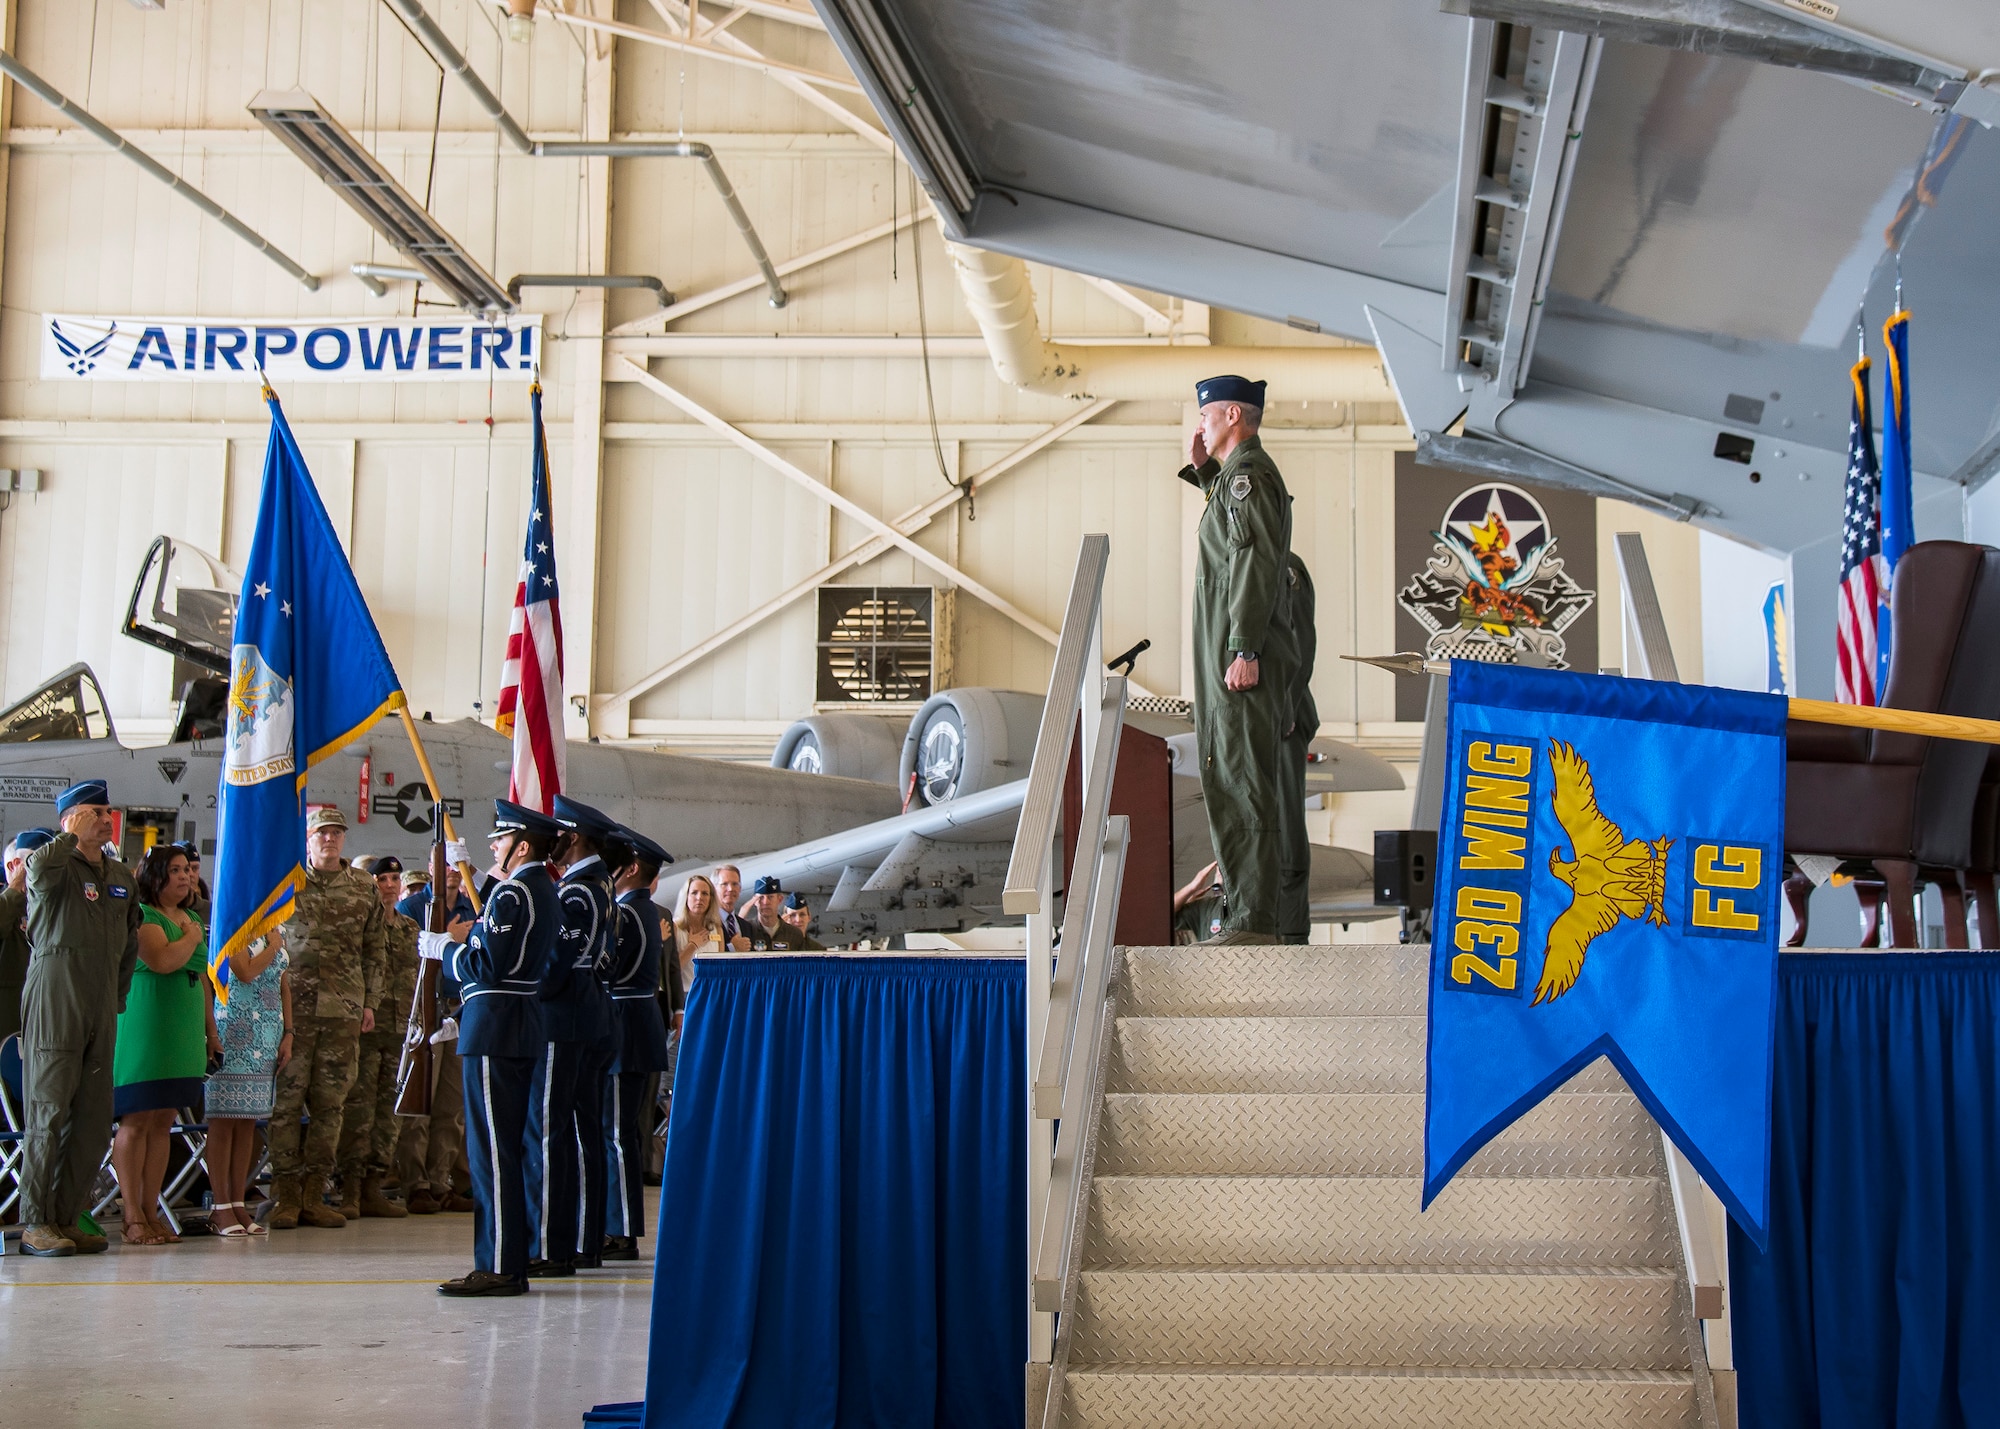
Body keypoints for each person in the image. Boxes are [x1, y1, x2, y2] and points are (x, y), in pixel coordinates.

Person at [1178, 374, 1297, 944]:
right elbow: (1234, 542)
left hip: (1239, 659)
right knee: (1230, 775)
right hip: (1227, 657)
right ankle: (1248, 912)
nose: (1198, 424)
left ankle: (1251, 919)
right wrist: (1205, 471)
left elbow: (1250, 563)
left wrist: (1243, 647)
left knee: (1242, 779)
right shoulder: (1235, 479)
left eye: (1205, 415)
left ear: (1230, 416)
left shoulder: (1248, 477)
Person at [427, 800, 560, 1297]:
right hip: (518, 1023)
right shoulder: (539, 890)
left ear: (521, 846)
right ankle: (511, 1257)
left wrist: (446, 950)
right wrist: (482, 879)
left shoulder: (514, 896)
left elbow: (487, 965)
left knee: (491, 1153)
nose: (493, 847)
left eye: (500, 841)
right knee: (506, 1147)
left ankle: (500, 1264)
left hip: (496, 1026)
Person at [18, 781, 142, 1257]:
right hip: (56, 997)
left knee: (91, 1120)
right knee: (48, 1113)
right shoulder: (53, 864)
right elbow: (37, 870)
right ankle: (35, 1220)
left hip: (100, 1002)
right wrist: (68, 836)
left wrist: (118, 994)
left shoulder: (119, 874)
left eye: (108, 811)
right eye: (93, 811)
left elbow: (129, 941)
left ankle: (67, 1217)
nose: (103, 819)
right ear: (69, 818)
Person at [267, 806, 385, 1231]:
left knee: (331, 1107)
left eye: (336, 833)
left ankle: (316, 1195)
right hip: (292, 1012)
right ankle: (285, 1197)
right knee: (285, 1106)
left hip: (343, 1010)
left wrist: (370, 1002)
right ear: (308, 839)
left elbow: (375, 948)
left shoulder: (363, 887)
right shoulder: (287, 883)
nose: (329, 840)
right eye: (321, 833)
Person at [525, 796, 621, 1278]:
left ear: (576, 837)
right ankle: (583, 1239)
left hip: (564, 1017)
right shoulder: (600, 884)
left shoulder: (580, 891)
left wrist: (530, 993)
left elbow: (559, 963)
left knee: (550, 1131)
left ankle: (550, 1246)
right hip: (588, 1013)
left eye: (563, 832)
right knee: (581, 1132)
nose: (556, 839)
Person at [109, 845, 212, 1245]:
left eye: (188, 869)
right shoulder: (143, 916)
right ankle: (131, 1215)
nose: (186, 876)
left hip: (183, 1029)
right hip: (146, 1027)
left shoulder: (188, 916)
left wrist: (211, 1031)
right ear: (155, 876)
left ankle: (153, 1212)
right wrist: (190, 938)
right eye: (175, 870)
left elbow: (201, 977)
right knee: (137, 1119)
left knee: (164, 1121)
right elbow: (162, 961)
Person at [602, 827, 674, 1262]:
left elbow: (608, 967)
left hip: (625, 1024)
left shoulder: (625, 914)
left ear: (631, 869)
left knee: (617, 1132)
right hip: (640, 1022)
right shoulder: (649, 912)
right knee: (625, 1130)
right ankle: (622, 1225)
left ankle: (622, 1228)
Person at [335, 854, 417, 1220]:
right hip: (366, 1030)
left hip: (400, 1033)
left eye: (393, 880)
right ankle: (350, 1188)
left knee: (389, 1114)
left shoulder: (411, 929)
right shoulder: (359, 926)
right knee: (358, 1111)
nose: (388, 886)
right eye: (381, 879)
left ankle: (373, 1186)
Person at [392, 863, 474, 1215]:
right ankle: (416, 1183)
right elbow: (403, 953)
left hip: (460, 1010)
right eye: (445, 866)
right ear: (429, 869)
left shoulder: (472, 908)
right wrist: (446, 939)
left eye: (458, 866)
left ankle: (441, 1181)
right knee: (420, 1099)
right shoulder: (412, 908)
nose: (452, 872)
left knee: (451, 1106)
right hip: (425, 1007)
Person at [204, 924, 291, 1238]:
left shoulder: (274, 928)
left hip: (268, 1031)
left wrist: (289, 1033)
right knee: (224, 1119)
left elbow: (283, 982)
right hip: (234, 1028)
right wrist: (274, 945)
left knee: (247, 1122)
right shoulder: (233, 924)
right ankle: (221, 1205)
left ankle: (239, 1200)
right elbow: (245, 970)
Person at [1277, 552, 1319, 944]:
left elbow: (1299, 639)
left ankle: (1289, 936)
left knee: (1285, 838)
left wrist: (1286, 704)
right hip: (1257, 716)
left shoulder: (1283, 565)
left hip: (1280, 719)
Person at [1, 828, 54, 1045]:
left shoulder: (57, 907)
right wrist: (16, 886)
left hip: (45, 1017)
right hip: (8, 1016)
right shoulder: (9, 904)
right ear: (15, 866)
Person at [739, 876, 816, 950]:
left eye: (770, 897)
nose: (765, 902)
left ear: (780, 899)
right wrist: (740, 920)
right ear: (755, 901)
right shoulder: (747, 930)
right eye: (761, 897)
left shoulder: (794, 934)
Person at [713, 864, 754, 946]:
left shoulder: (746, 927)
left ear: (740, 888)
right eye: (724, 884)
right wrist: (732, 948)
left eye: (735, 884)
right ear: (714, 888)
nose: (731, 889)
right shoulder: (707, 922)